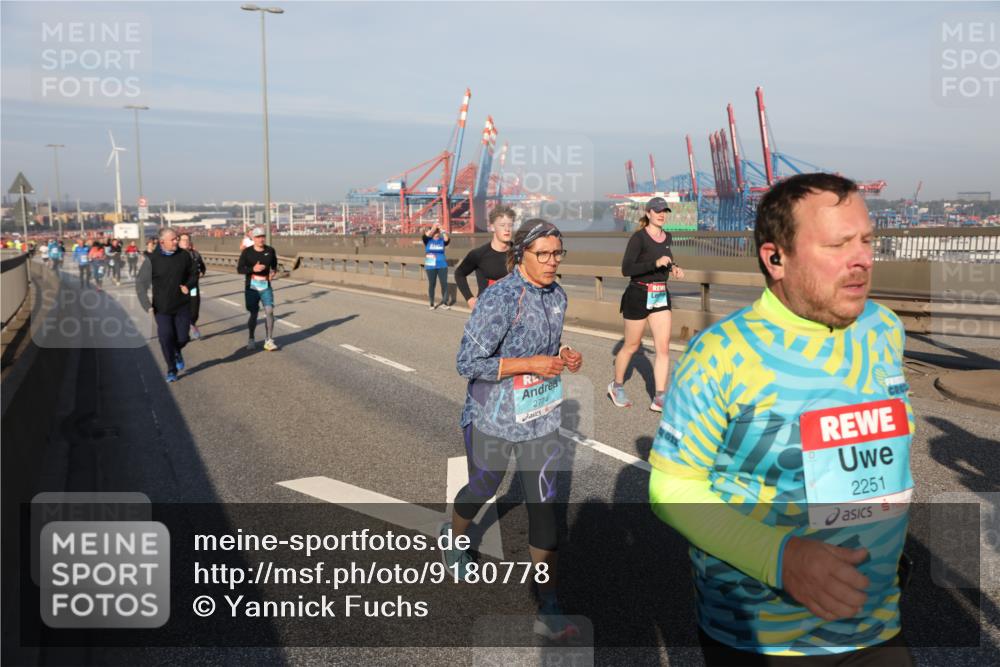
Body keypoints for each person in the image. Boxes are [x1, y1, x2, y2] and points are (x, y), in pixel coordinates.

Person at [649, 173, 915, 665]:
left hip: (878, 622)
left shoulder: (883, 329)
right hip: (765, 637)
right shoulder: (722, 355)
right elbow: (671, 490)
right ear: (776, 258)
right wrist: (782, 558)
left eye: (866, 241)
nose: (862, 260)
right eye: (838, 244)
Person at [445, 219, 584, 641]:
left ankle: (549, 604)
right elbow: (467, 363)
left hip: (539, 417)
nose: (551, 262)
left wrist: (562, 353)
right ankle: (455, 537)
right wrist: (531, 365)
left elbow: (545, 344)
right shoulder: (500, 298)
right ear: (520, 253)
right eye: (542, 254)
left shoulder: (557, 294)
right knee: (484, 487)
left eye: (557, 253)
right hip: (491, 415)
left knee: (544, 505)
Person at [608, 196, 685, 412]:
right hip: (638, 294)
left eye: (665, 211)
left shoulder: (667, 236)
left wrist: (674, 267)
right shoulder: (638, 238)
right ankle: (617, 386)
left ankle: (659, 396)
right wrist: (654, 264)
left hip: (660, 294)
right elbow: (627, 269)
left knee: (663, 348)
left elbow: (666, 259)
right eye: (657, 211)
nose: (661, 214)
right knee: (632, 346)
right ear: (648, 213)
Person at [135, 228, 198, 383]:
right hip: (162, 308)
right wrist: (147, 305)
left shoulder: (184, 256)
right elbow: (140, 284)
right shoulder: (152, 260)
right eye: (173, 239)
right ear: (162, 242)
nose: (176, 241)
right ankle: (171, 369)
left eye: (177, 238)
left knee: (183, 338)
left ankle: (177, 351)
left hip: (182, 305)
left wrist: (188, 285)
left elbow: (193, 274)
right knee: (165, 338)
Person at [454, 205, 515, 310]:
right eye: (502, 225)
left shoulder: (520, 253)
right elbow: (459, 273)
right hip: (487, 313)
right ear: (492, 227)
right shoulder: (479, 254)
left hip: (514, 312)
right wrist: (469, 298)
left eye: (510, 225)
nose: (507, 229)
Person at [237, 227, 279, 351]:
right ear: (253, 239)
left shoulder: (270, 250)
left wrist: (273, 272)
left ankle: (269, 340)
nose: (261, 239)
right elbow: (240, 269)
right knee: (253, 313)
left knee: (269, 310)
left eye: (262, 236)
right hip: (251, 286)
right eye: (258, 237)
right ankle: (251, 338)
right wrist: (252, 269)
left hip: (265, 285)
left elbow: (274, 265)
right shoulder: (247, 252)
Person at [179, 233, 207, 340]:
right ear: (179, 241)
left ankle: (192, 323)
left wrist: (202, 272)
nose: (185, 242)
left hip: (193, 286)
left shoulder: (195, 254)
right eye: (183, 240)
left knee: (195, 310)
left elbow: (202, 266)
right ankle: (183, 331)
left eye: (187, 240)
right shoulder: (175, 255)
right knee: (182, 310)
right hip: (180, 287)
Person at [422, 222, 450, 310]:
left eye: (438, 232)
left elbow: (447, 240)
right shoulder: (427, 240)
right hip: (430, 263)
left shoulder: (442, 241)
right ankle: (431, 303)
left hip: (442, 264)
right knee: (432, 283)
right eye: (435, 231)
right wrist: (434, 227)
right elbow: (427, 236)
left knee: (444, 283)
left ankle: (444, 303)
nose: (436, 233)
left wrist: (442, 230)